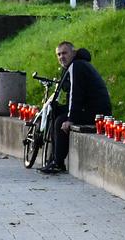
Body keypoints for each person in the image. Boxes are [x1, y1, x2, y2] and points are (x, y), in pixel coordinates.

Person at [40, 41, 112, 174]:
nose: (62, 57)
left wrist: (70, 119)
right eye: (59, 54)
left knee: (60, 121)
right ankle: (53, 158)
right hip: (88, 108)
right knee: (55, 111)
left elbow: (76, 94)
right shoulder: (74, 66)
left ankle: (58, 163)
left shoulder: (77, 66)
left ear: (73, 53)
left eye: (65, 53)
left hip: (96, 113)